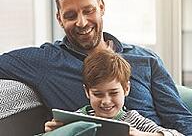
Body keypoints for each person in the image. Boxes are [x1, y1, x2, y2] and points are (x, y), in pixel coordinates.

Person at [0, 0, 191, 135]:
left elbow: (182, 122)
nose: (82, 22)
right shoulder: (45, 62)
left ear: (101, 7)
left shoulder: (146, 60)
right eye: (70, 15)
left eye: (88, 11)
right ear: (59, 19)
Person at [44, 49, 183, 136]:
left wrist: (143, 135)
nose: (106, 101)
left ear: (126, 89)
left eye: (113, 93)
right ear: (87, 92)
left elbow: (176, 134)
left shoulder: (134, 120)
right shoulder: (76, 118)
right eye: (98, 94)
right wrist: (52, 133)